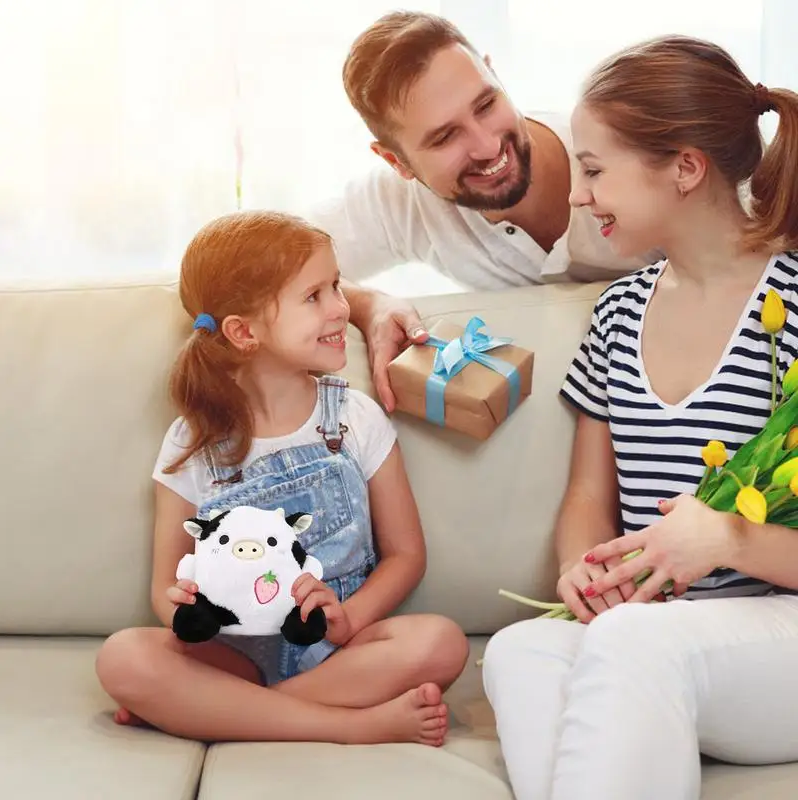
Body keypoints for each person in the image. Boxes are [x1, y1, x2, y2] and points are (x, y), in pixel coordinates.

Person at [481, 35, 798, 800]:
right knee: (519, 652)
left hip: (775, 641)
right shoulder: (619, 312)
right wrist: (584, 571)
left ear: (685, 167)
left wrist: (726, 538)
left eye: (594, 170)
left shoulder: (790, 307)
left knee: (633, 642)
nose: (578, 195)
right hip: (660, 648)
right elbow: (591, 496)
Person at [95, 210, 468, 745]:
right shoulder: (193, 441)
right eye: (314, 296)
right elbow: (165, 586)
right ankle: (351, 726)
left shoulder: (354, 417)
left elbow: (407, 554)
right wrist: (181, 605)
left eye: (336, 286)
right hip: (236, 654)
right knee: (124, 657)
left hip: (341, 651)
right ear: (244, 332)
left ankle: (221, 714)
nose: (341, 307)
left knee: (441, 642)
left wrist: (350, 617)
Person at [308, 11, 658, 412]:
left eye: (486, 104)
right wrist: (368, 304)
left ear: (495, 75)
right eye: (445, 137)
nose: (488, 146)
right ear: (395, 161)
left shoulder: (626, 151)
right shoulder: (399, 203)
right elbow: (264, 264)